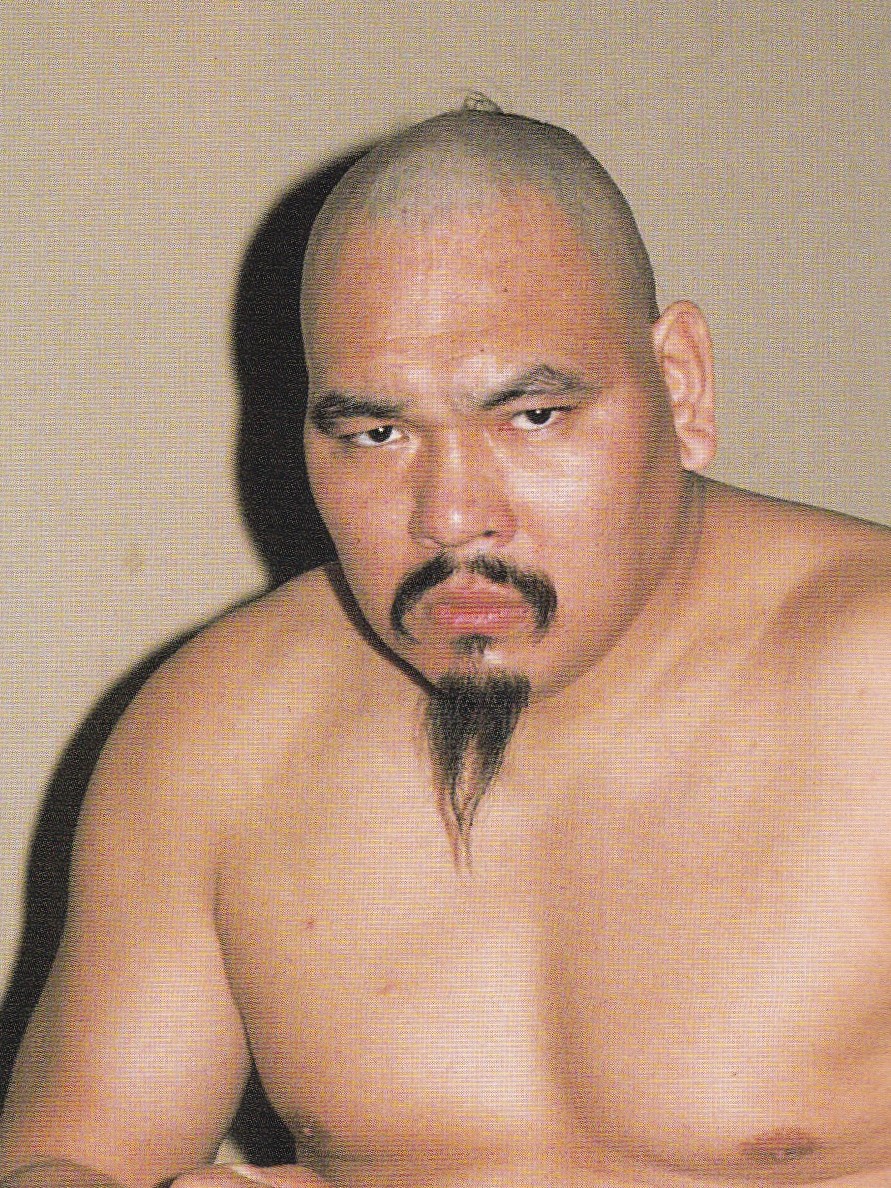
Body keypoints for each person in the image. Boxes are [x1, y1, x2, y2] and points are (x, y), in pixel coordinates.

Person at [1, 100, 889, 1188]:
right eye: (377, 433)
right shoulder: (217, 731)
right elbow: (69, 1153)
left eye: (532, 417)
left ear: (681, 385)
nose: (452, 518)